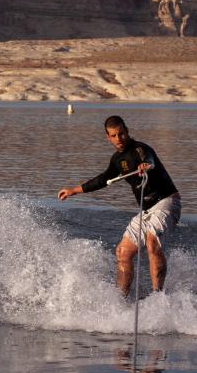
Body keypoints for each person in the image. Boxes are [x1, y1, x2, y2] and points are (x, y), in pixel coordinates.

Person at [58, 115, 180, 297]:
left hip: (166, 202)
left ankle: (158, 297)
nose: (119, 139)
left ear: (127, 131)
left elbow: (149, 159)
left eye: (121, 134)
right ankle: (121, 301)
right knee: (123, 252)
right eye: (114, 136)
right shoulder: (117, 159)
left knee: (151, 241)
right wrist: (74, 190)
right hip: (146, 210)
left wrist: (146, 165)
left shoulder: (140, 149)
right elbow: (103, 179)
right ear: (108, 137)